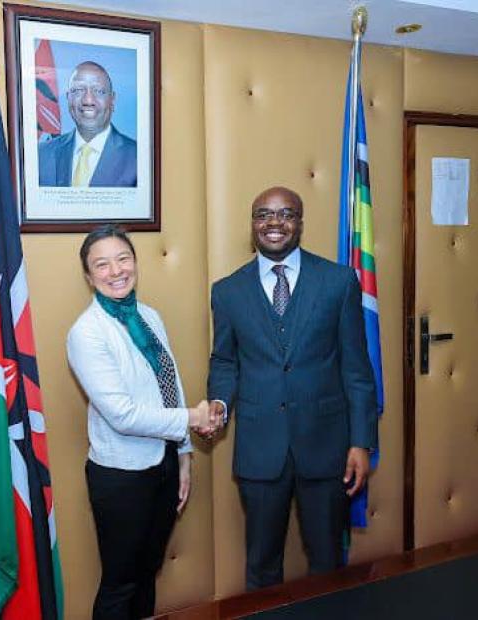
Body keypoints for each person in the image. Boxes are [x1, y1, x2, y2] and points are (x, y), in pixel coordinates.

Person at [205, 186, 377, 590]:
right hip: (260, 450)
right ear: (253, 225)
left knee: (328, 561)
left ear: (299, 222)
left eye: (285, 214)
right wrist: (218, 403)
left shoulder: (338, 281)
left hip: (327, 446)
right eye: (263, 214)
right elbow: (225, 361)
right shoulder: (227, 291)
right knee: (262, 566)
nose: (274, 223)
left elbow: (356, 367)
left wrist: (361, 442)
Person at [67, 224, 211, 619]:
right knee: (120, 582)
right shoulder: (87, 333)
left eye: (123, 259)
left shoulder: (149, 316)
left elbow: (170, 384)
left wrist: (183, 457)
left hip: (163, 465)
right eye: (102, 264)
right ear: (88, 275)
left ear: (135, 262)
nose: (116, 271)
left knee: (148, 573)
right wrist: (192, 418)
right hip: (121, 476)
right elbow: (123, 415)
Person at [39, 61, 137, 187]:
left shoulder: (138, 158)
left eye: (99, 91)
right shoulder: (42, 155)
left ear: (112, 100)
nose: (88, 100)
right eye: (79, 90)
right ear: (68, 98)